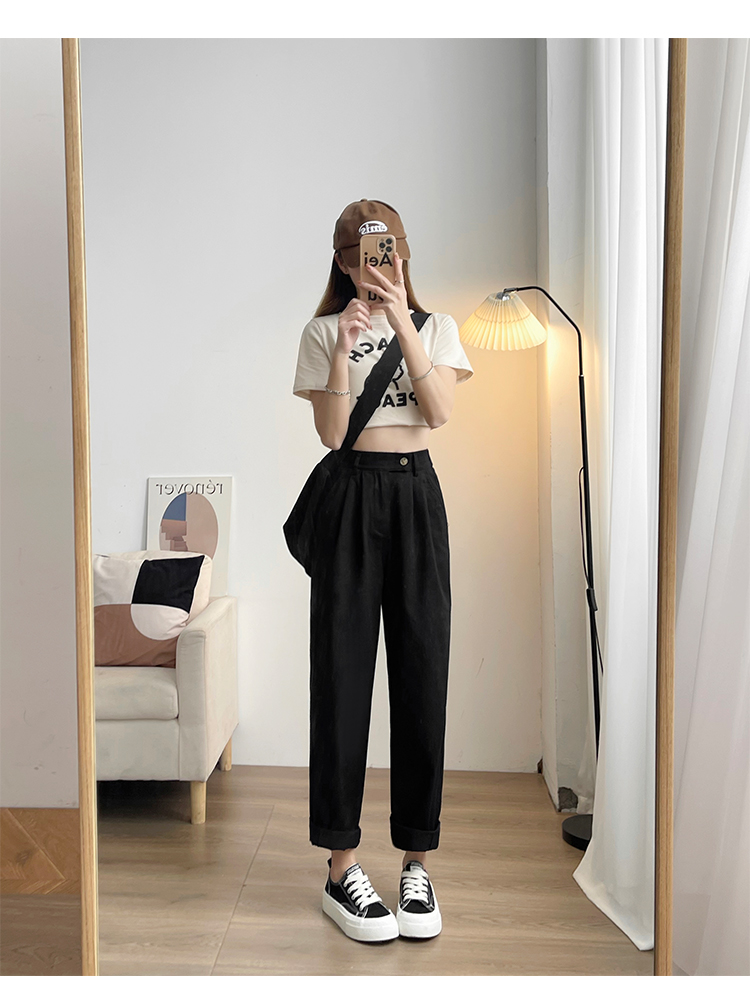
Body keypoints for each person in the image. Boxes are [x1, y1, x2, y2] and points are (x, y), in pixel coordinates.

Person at [292, 199, 474, 943]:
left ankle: (416, 862)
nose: (377, 264)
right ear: (343, 262)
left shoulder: (437, 327)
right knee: (341, 676)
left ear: (403, 254)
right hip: (352, 498)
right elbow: (332, 433)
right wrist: (344, 348)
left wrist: (401, 321)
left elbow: (439, 412)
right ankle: (341, 867)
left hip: (416, 497)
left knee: (423, 673)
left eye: (388, 251)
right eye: (362, 254)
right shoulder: (321, 332)